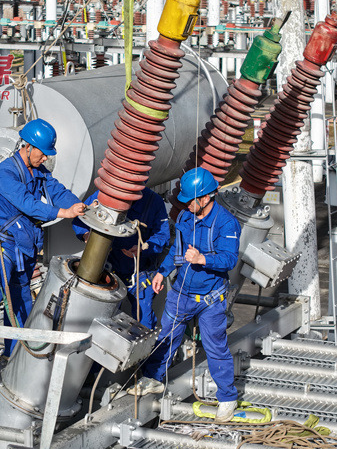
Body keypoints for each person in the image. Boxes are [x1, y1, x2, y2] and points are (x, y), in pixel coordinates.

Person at [127, 167, 241, 422]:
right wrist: (162, 272)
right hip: (181, 295)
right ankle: (153, 379)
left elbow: (230, 258)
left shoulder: (226, 223)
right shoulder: (185, 217)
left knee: (216, 347)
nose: (187, 204)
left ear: (207, 197)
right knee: (165, 338)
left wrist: (203, 259)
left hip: (210, 299)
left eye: (191, 200)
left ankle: (227, 398)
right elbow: (175, 251)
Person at [0, 119, 86, 356]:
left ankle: (14, 355)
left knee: (21, 299)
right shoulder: (5, 174)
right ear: (27, 146)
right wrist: (63, 213)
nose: (45, 158)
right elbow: (28, 204)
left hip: (26, 245)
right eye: (42, 153)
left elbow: (57, 191)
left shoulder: (38, 172)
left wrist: (79, 207)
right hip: (6, 246)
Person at [72, 187, 170, 329]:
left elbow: (162, 236)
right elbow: (80, 217)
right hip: (109, 270)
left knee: (144, 320)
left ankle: (145, 343)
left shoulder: (153, 201)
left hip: (140, 273)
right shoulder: (104, 194)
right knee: (103, 316)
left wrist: (143, 248)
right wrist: (86, 235)